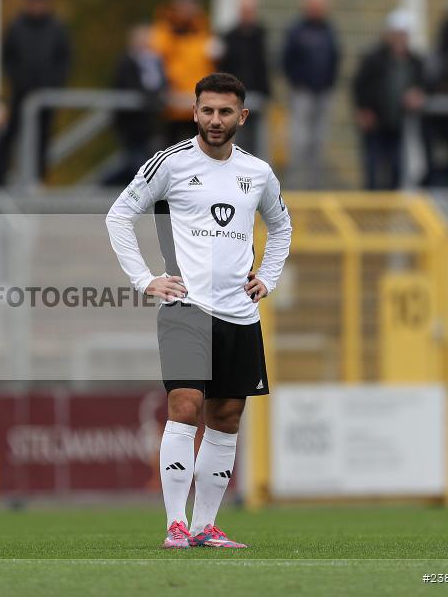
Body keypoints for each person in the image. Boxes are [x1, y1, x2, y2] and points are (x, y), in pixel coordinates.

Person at [105, 72, 291, 549]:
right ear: (194, 112)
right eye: (207, 110)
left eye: (225, 111)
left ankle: (206, 525)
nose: (215, 119)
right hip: (186, 307)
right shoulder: (169, 163)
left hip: (240, 313)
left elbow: (281, 226)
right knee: (185, 406)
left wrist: (268, 276)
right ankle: (176, 524)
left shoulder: (258, 173)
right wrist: (145, 279)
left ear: (241, 116)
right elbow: (119, 215)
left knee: (226, 416)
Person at [353, 10, 424, 190]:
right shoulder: (374, 58)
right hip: (375, 122)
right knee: (373, 169)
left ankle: (391, 203)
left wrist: (417, 95)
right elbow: (359, 85)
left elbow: (423, 84)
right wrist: (363, 109)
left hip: (398, 122)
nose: (400, 38)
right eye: (397, 34)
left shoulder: (414, 61)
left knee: (396, 169)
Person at [2, 0, 71, 181]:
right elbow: (8, 58)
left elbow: (64, 60)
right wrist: (18, 81)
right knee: (11, 136)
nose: (36, 6)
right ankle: (4, 176)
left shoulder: (56, 28)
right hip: (21, 94)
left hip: (46, 96)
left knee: (43, 139)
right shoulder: (16, 27)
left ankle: (39, 179)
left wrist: (53, 84)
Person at [282, 0, 340, 189]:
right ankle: (296, 183)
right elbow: (286, 59)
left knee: (320, 140)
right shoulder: (297, 31)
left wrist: (329, 83)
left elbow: (335, 58)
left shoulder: (329, 30)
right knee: (299, 139)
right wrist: (296, 82)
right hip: (302, 92)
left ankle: (315, 184)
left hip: (323, 92)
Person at [102, 24, 166, 186]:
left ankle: (110, 185)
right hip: (130, 123)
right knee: (135, 162)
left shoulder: (154, 61)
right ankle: (105, 184)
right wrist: (149, 95)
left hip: (148, 123)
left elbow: (163, 84)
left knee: (140, 162)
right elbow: (127, 87)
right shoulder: (125, 62)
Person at [151, 0, 215, 145]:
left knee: (202, 152)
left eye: (192, 3)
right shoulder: (164, 30)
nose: (189, 7)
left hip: (198, 105)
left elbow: (208, 66)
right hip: (172, 106)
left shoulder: (204, 31)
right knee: (170, 152)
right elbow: (158, 64)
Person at [218, 0, 270, 157]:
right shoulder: (229, 36)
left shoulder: (261, 35)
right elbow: (224, 66)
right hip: (234, 95)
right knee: (236, 136)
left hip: (257, 93)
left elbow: (264, 66)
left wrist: (266, 91)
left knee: (258, 139)